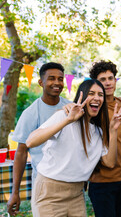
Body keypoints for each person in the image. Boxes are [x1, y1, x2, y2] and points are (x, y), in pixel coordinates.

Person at [26, 79, 121, 216]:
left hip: (76, 194)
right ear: (81, 96)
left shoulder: (97, 131)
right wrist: (67, 120)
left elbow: (110, 162)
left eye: (101, 95)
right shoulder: (63, 116)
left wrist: (113, 131)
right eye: (91, 93)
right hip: (49, 193)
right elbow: (31, 141)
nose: (97, 98)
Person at [7, 62, 71, 216]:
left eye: (60, 79)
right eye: (51, 79)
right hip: (44, 185)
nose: (57, 83)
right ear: (41, 82)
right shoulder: (30, 114)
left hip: (71, 183)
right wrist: (15, 192)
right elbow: (21, 153)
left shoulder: (70, 107)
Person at [88, 60, 121, 217]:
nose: (107, 83)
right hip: (101, 179)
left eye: (110, 78)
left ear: (115, 80)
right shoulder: (93, 106)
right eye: (102, 79)